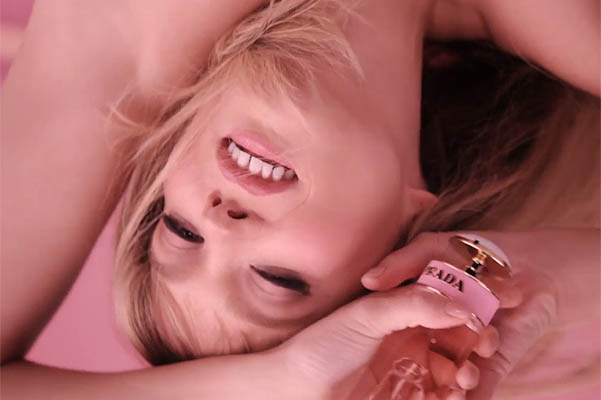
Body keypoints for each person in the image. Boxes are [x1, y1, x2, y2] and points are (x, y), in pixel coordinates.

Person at [2, 0, 599, 399]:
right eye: (276, 279)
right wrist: (545, 276)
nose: (222, 223)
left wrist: (278, 382)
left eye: (181, 232)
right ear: (409, 231)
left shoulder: (138, 25)